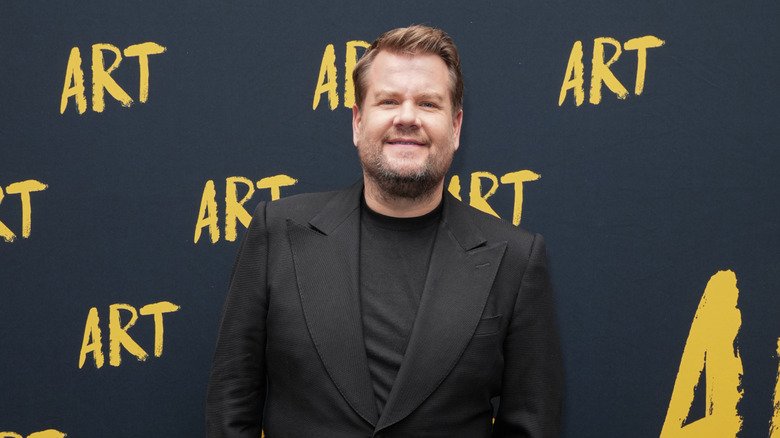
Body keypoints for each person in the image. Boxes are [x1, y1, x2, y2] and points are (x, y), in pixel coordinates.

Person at [206, 25, 563, 437]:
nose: (407, 117)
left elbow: (532, 424)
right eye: (388, 100)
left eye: (428, 103)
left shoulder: (515, 259)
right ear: (358, 122)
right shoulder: (277, 233)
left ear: (456, 126)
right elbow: (231, 404)